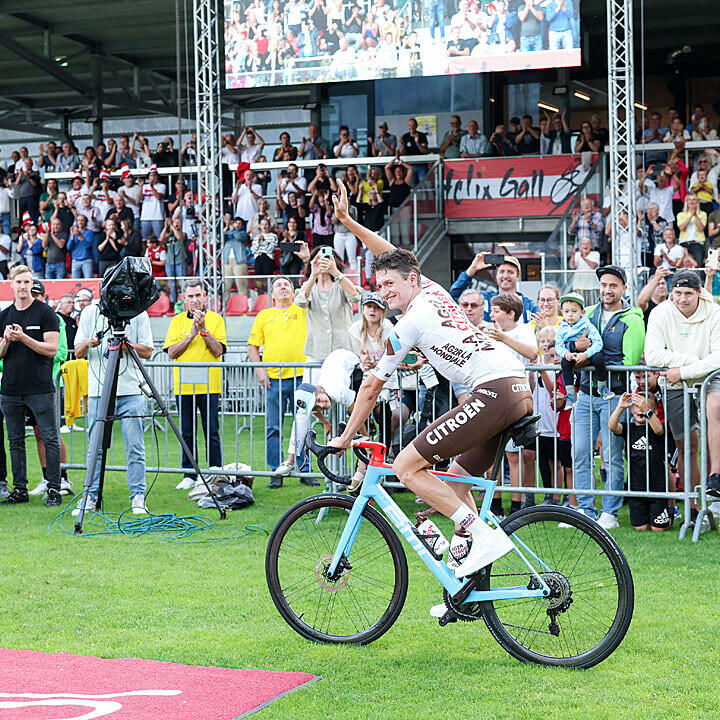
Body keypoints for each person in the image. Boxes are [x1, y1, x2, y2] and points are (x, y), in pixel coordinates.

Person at [328, 180, 532, 604]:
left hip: (492, 390)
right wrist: (348, 222)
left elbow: (371, 384)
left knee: (406, 467)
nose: (384, 293)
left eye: (389, 286)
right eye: (378, 287)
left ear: (411, 281)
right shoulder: (432, 290)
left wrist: (346, 436)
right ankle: (466, 591)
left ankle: (481, 536)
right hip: (512, 384)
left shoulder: (410, 322)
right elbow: (395, 259)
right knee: (455, 488)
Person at [570, 265, 645, 529]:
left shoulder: (633, 318)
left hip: (614, 395)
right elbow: (570, 344)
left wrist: (588, 356)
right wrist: (576, 350)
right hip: (584, 394)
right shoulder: (588, 313)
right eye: (603, 285)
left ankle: (610, 512)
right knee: (579, 453)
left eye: (613, 285)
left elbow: (629, 361)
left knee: (612, 455)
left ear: (624, 288)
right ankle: (584, 510)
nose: (607, 290)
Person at [72, 300, 153, 516]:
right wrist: (92, 341)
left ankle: (138, 495)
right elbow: (78, 351)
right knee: (95, 447)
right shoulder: (90, 312)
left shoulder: (138, 313)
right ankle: (90, 495)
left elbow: (148, 351)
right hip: (100, 390)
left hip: (131, 390)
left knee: (135, 445)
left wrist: (128, 346)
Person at [645, 269, 720, 503]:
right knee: (687, 444)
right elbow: (653, 356)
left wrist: (683, 370)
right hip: (675, 381)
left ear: (699, 293)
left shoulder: (715, 312)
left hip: (708, 377)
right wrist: (693, 361)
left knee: (714, 410)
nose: (682, 299)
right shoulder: (660, 313)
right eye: (677, 293)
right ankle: (694, 504)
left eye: (688, 293)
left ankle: (715, 479)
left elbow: (717, 358)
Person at [0, 266, 61, 507]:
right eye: (19, 282)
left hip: (40, 387)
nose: (23, 286)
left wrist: (24, 338)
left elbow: (52, 349)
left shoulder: (45, 313)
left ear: (31, 283)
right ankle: (20, 489)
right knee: (15, 441)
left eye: (27, 282)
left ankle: (54, 488)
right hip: (10, 388)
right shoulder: (4, 315)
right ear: (11, 284)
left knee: (50, 438)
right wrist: (6, 340)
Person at [163, 280, 226, 491]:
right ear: (184, 298)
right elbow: (172, 353)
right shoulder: (177, 321)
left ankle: (215, 470)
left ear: (206, 296)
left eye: (198, 295)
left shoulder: (216, 319)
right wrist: (191, 334)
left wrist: (204, 331)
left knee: (212, 430)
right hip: (184, 385)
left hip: (209, 384)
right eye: (190, 296)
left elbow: (218, 351)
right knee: (187, 431)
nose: (195, 299)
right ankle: (189, 472)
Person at [247, 276, 308, 486]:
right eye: (278, 285)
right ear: (271, 295)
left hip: (302, 375)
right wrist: (260, 371)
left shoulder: (303, 311)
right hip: (274, 378)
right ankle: (275, 470)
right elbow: (253, 346)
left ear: (294, 292)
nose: (283, 288)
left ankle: (305, 470)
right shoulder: (264, 315)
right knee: (273, 426)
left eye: (287, 285)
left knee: (303, 425)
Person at [486, 293, 538, 517]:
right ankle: (494, 503)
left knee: (513, 455)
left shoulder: (524, 330)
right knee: (491, 453)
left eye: (496, 310)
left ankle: (516, 505)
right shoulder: (488, 331)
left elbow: (533, 353)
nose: (492, 314)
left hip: (515, 396)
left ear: (511, 313)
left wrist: (503, 338)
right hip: (492, 396)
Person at [608, 392, 671, 531]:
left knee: (658, 529)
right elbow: (612, 426)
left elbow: (659, 430)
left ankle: (670, 513)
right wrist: (620, 407)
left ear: (653, 411)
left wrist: (646, 410)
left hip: (657, 486)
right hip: (636, 486)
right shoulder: (629, 428)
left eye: (644, 407)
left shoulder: (655, 427)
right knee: (640, 528)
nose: (639, 410)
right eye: (636, 407)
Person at [555, 292, 611, 406]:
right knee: (565, 363)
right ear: (562, 313)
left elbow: (598, 343)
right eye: (566, 311)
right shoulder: (561, 328)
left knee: (599, 358)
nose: (570, 314)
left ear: (582, 312)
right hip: (572, 354)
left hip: (588, 354)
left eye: (574, 311)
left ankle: (602, 387)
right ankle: (571, 393)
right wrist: (566, 353)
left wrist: (586, 354)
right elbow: (558, 345)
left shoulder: (587, 325)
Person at [449, 253, 538, 323]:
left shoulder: (529, 306)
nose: (505, 276)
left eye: (510, 272)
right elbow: (456, 294)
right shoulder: (484, 299)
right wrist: (472, 269)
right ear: (496, 275)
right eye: (502, 272)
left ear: (518, 275)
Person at [223, 216, 249, 295]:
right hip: (227, 261)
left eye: (239, 223)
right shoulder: (228, 234)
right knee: (226, 286)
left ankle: (244, 304)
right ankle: (225, 305)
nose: (237, 225)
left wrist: (231, 227)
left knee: (241, 285)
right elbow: (219, 238)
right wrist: (226, 227)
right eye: (236, 223)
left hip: (239, 261)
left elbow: (238, 236)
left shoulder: (243, 233)